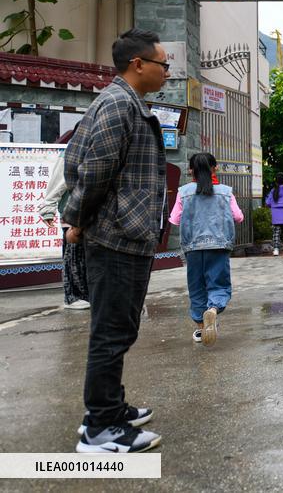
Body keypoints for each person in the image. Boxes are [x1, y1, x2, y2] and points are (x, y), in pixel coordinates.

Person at [64, 28, 167, 453]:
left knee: (120, 328)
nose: (167, 72)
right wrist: (76, 219)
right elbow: (92, 170)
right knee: (110, 331)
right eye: (163, 64)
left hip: (128, 236)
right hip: (114, 237)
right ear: (137, 64)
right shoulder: (117, 104)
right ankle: (99, 427)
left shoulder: (127, 103)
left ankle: (110, 406)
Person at [168, 152, 244, 346]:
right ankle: (213, 310)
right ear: (215, 168)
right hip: (219, 246)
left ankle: (202, 328)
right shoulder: (226, 192)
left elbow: (175, 219)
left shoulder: (183, 191)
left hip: (192, 247)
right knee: (218, 283)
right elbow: (238, 217)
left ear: (191, 170)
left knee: (196, 285)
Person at [40, 125, 89, 310]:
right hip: (72, 212)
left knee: (85, 256)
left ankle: (86, 294)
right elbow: (58, 181)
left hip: (88, 213)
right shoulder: (73, 150)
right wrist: (48, 207)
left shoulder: (92, 150)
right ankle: (73, 296)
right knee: (73, 256)